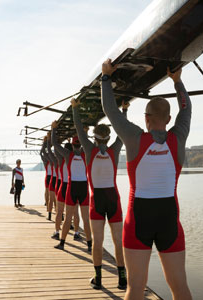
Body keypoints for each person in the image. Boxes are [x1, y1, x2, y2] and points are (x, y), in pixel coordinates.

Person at [101, 59, 192, 300]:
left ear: (146, 118)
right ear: (169, 119)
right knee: (180, 288)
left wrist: (106, 78)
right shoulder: (179, 137)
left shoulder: (133, 138)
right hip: (169, 221)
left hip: (137, 222)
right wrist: (177, 82)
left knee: (136, 288)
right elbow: (187, 109)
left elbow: (109, 110)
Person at [72, 97, 129, 290]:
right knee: (118, 241)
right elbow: (123, 129)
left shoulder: (88, 149)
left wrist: (75, 108)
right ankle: (122, 280)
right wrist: (124, 111)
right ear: (109, 137)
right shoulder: (115, 148)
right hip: (114, 198)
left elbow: (79, 130)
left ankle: (98, 279)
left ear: (95, 138)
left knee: (97, 241)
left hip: (97, 199)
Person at [51, 123, 92, 252]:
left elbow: (55, 144)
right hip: (84, 187)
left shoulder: (68, 155)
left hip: (72, 187)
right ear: (81, 145)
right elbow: (87, 142)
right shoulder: (86, 154)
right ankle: (90, 245)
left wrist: (54, 129)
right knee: (86, 219)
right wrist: (85, 133)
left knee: (68, 218)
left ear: (73, 145)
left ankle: (62, 243)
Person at [51, 133, 80, 241]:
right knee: (75, 212)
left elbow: (55, 149)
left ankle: (57, 232)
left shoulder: (60, 159)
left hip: (63, 187)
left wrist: (56, 139)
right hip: (73, 186)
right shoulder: (76, 157)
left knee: (59, 212)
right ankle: (77, 233)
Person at [46, 132, 58, 220]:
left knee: (51, 199)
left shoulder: (52, 161)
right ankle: (60, 215)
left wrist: (48, 140)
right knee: (58, 200)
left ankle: (50, 215)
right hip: (58, 180)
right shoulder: (62, 160)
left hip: (53, 180)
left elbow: (48, 151)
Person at [40, 137, 51, 208]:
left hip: (49, 177)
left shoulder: (48, 161)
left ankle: (47, 204)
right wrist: (45, 142)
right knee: (48, 191)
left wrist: (44, 143)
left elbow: (41, 153)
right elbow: (41, 153)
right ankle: (47, 204)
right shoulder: (48, 161)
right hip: (50, 177)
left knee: (47, 191)